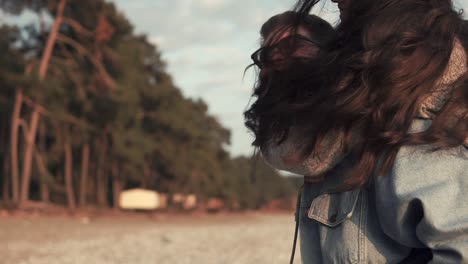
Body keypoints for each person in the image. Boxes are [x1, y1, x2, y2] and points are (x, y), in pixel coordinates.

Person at [245, 0, 468, 263]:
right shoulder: (320, 139)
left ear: (327, 53)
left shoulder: (402, 120)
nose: (278, 58)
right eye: (266, 55)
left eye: (291, 46)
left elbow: (459, 248)